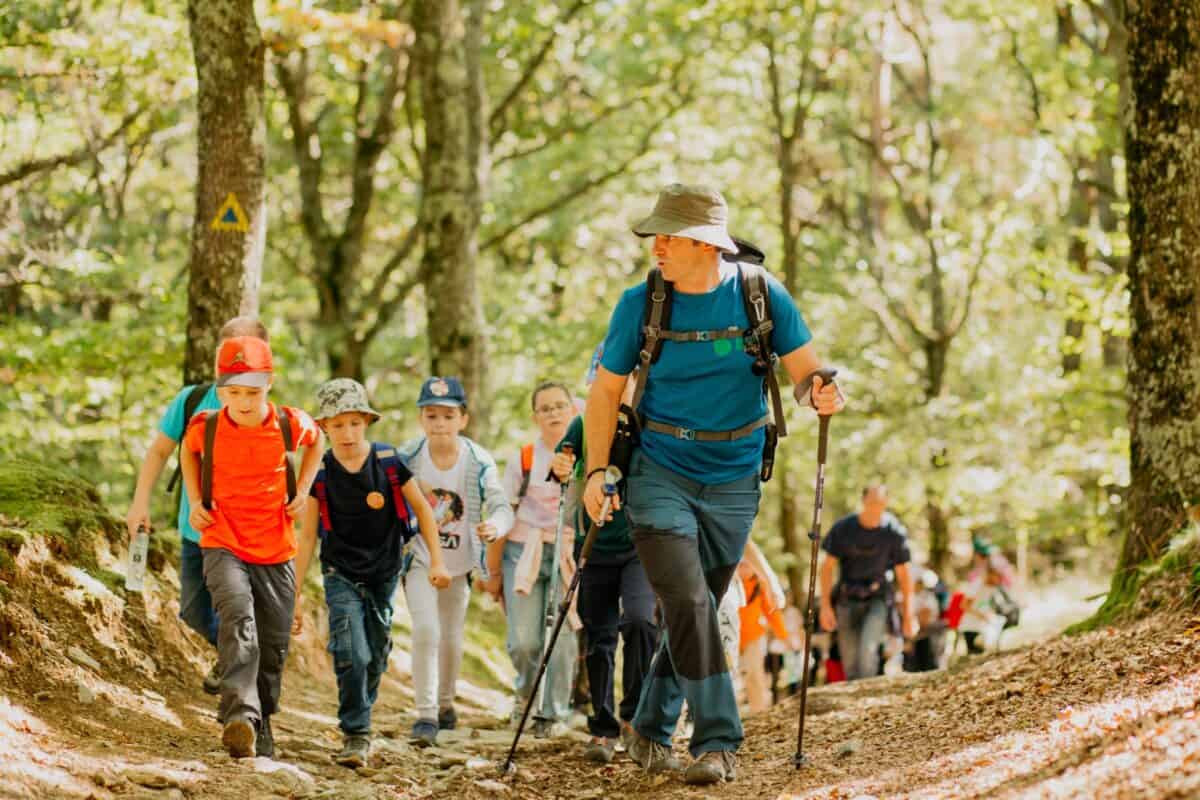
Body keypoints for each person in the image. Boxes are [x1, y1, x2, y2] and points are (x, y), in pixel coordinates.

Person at [581, 183, 844, 785]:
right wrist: (598, 470)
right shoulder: (639, 304)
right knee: (690, 601)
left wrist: (822, 391)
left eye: (668, 237)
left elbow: (806, 375)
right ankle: (719, 741)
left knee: (689, 609)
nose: (658, 248)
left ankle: (648, 731)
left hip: (735, 476)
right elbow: (604, 392)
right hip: (658, 471)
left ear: (704, 243)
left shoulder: (761, 296)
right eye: (657, 237)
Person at [292, 379, 451, 768]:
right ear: (324, 427)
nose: (347, 433)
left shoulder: (389, 463)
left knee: (375, 654)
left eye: (354, 423)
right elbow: (308, 535)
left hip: (384, 571)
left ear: (366, 422)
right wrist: (293, 595)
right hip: (339, 571)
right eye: (337, 425)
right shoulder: (322, 472)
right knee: (351, 652)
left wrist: (436, 561)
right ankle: (355, 733)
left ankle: (363, 705)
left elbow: (425, 511)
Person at [179, 336, 323, 759]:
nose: (243, 401)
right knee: (238, 616)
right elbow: (189, 455)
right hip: (222, 539)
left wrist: (305, 488)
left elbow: (317, 443)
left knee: (274, 642)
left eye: (253, 391)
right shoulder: (205, 425)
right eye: (234, 391)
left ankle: (263, 721)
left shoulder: (289, 424)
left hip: (276, 547)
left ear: (270, 385)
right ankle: (239, 716)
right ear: (220, 390)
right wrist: (194, 500)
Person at [125, 316, 268, 693]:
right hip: (196, 529)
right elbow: (158, 452)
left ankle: (241, 677)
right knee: (193, 612)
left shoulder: (262, 407)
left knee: (236, 609)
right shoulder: (191, 400)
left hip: (245, 536)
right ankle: (236, 653)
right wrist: (140, 504)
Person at [399, 376, 514, 747]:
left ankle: (447, 705)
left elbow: (499, 503)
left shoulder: (477, 460)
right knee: (426, 629)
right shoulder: (408, 457)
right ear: (422, 419)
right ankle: (426, 714)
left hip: (461, 563)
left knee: (450, 636)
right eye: (432, 415)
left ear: (462, 419)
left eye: (448, 415)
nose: (440, 423)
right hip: (420, 558)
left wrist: (495, 525)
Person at [551, 368, 657, 763]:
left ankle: (634, 715)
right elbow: (562, 462)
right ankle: (602, 727)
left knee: (641, 622)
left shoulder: (649, 420)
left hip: (639, 545)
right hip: (594, 544)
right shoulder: (582, 423)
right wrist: (562, 466)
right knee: (598, 638)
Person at [490, 381, 579, 738]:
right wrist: (492, 568)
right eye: (546, 408)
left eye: (560, 406)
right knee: (524, 640)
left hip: (566, 552)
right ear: (536, 417)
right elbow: (504, 512)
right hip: (522, 551)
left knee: (561, 634)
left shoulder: (588, 453)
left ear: (573, 410)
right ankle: (525, 696)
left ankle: (554, 713)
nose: (554, 413)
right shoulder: (523, 458)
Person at [817, 485, 916, 682]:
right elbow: (827, 567)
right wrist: (825, 606)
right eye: (871, 503)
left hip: (877, 598)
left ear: (886, 503)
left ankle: (865, 698)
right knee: (850, 659)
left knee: (868, 650)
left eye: (880, 503)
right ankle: (855, 701)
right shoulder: (844, 528)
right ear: (863, 502)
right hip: (847, 598)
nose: (875, 508)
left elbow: (904, 575)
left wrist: (908, 614)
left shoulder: (893, 531)